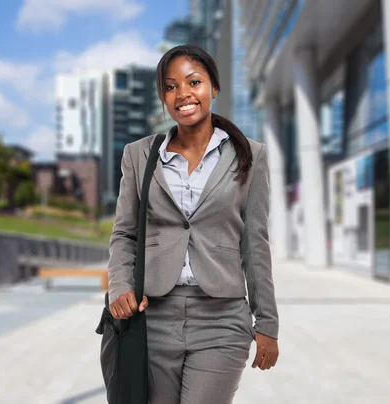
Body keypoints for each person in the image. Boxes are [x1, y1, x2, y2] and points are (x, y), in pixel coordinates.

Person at [106, 44, 279, 404]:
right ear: (162, 97)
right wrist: (119, 284)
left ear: (213, 88)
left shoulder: (251, 155)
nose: (183, 94)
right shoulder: (139, 155)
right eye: (170, 87)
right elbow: (124, 232)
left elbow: (255, 243)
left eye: (194, 82)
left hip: (222, 318)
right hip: (152, 318)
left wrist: (267, 322)